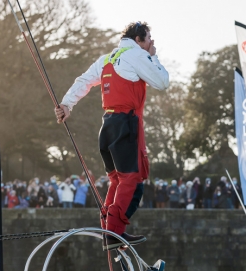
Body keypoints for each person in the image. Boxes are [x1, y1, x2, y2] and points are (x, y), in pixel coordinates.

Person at [54, 21, 169, 250]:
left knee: (117, 179)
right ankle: (115, 233)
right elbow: (162, 82)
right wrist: (153, 56)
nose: (150, 43)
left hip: (107, 125)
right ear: (138, 39)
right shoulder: (137, 55)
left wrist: (67, 105)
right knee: (132, 180)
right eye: (148, 39)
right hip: (127, 123)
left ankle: (109, 229)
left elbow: (84, 81)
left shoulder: (106, 58)